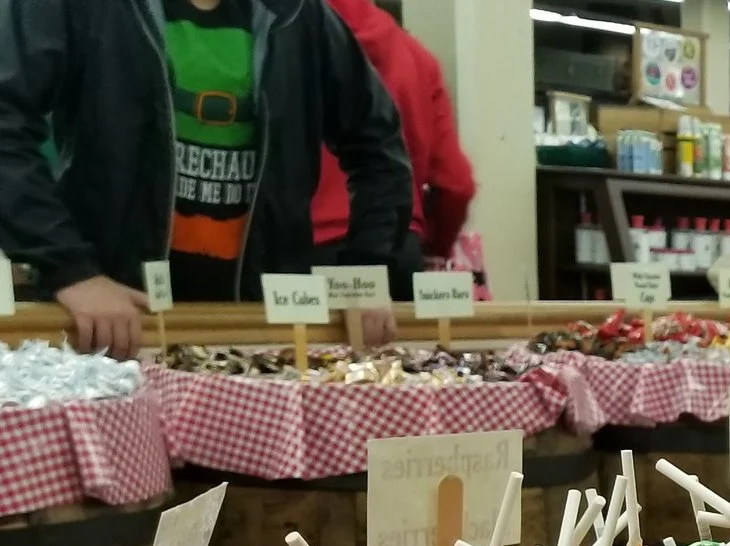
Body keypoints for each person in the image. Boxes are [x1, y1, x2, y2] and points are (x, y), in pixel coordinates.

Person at [0, 0, 410, 358]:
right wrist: (72, 271)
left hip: (259, 334)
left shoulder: (299, 14)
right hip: (113, 326)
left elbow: (379, 147)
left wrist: (366, 274)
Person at [311, 0, 473, 299]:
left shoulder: (283, 45)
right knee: (397, 349)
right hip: (397, 248)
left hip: (308, 250)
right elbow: (457, 184)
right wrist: (430, 245)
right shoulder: (418, 59)